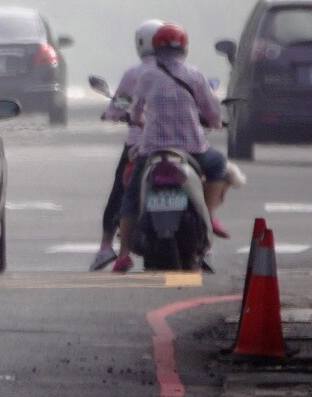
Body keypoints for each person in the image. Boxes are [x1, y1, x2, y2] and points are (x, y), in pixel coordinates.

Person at [110, 22, 230, 273]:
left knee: (130, 197)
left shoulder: (146, 75)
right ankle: (208, 214)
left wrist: (138, 120)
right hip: (192, 148)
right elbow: (211, 110)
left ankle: (122, 255)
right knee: (218, 164)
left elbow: (136, 111)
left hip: (153, 148)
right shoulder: (194, 75)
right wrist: (216, 122)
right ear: (184, 48)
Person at [90, 19, 162, 270]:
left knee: (120, 195)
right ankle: (206, 247)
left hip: (139, 144)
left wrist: (111, 114)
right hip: (175, 143)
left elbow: (119, 104)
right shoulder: (181, 70)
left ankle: (106, 246)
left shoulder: (135, 73)